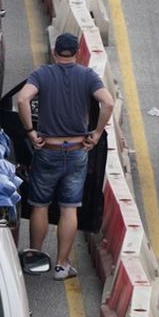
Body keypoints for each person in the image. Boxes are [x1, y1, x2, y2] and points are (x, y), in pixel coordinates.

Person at [16, 33, 114, 281]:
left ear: (55, 52)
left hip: (47, 150)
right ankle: (61, 265)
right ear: (78, 52)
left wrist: (30, 131)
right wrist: (97, 132)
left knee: (40, 205)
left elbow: (22, 98)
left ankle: (36, 256)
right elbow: (108, 103)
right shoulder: (87, 76)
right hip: (76, 152)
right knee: (69, 208)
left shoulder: (42, 74)